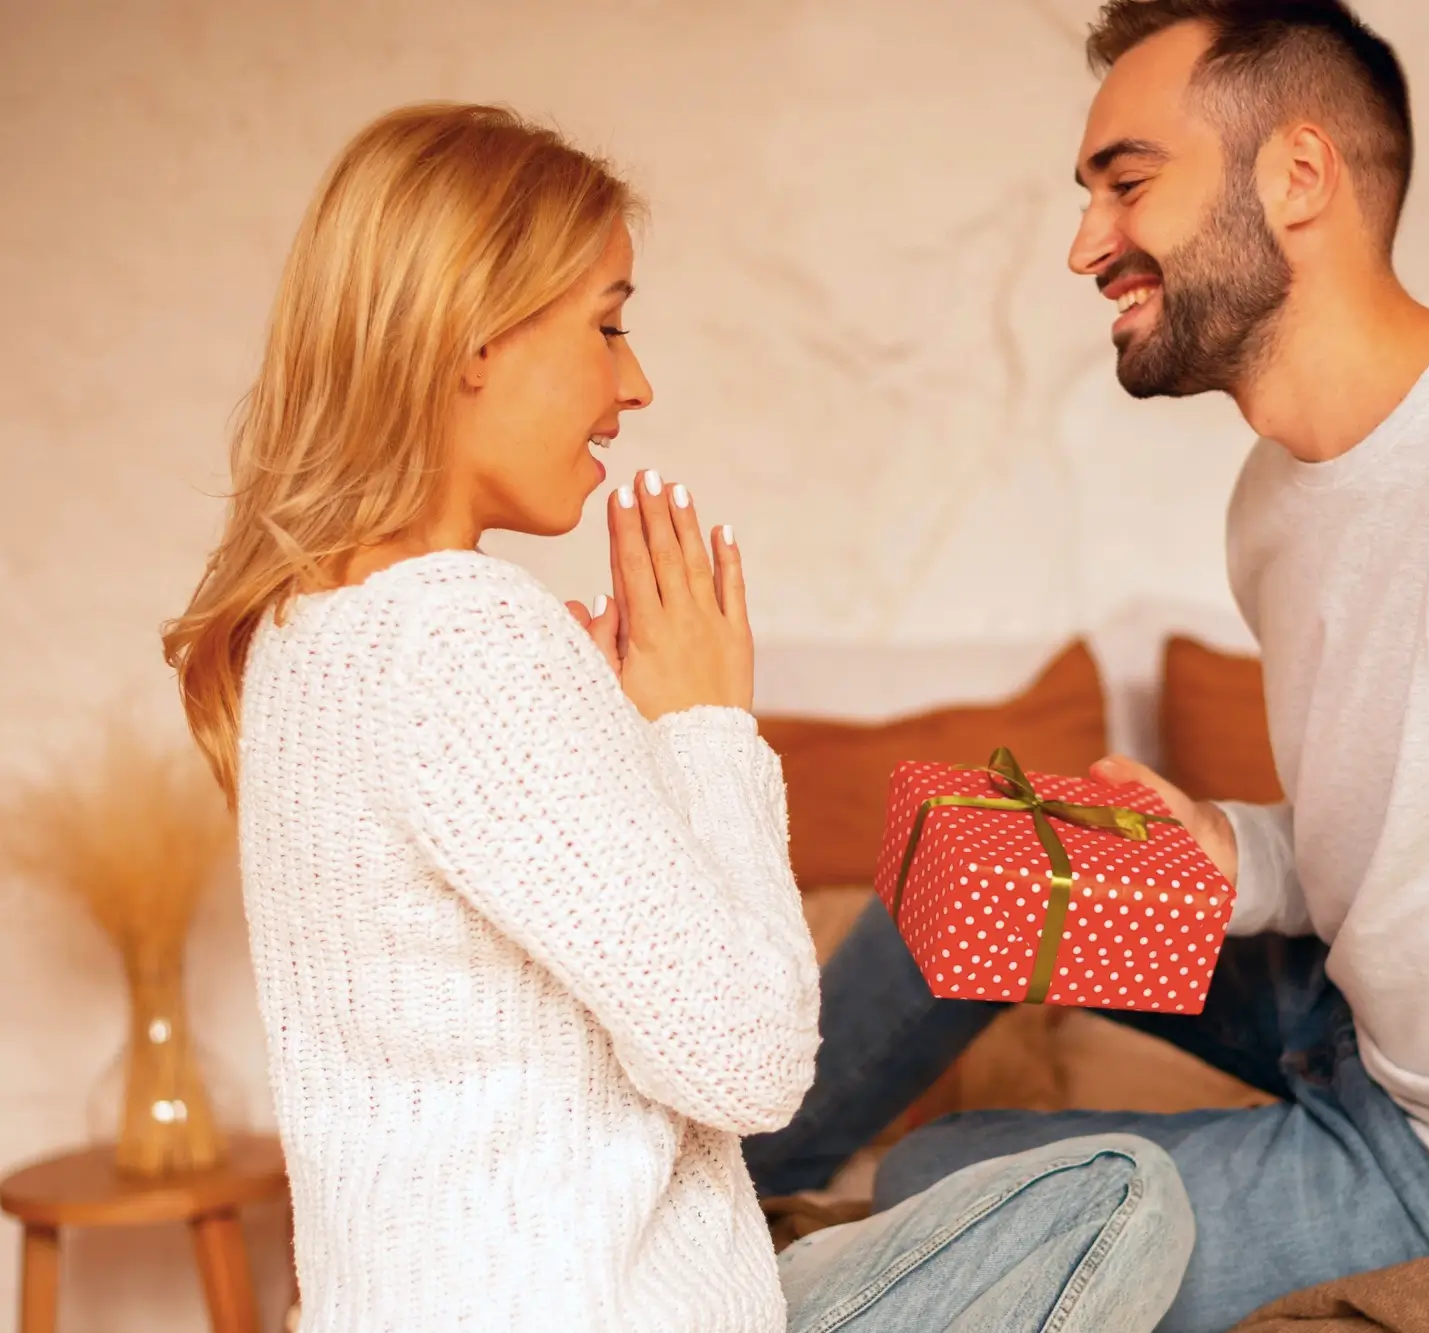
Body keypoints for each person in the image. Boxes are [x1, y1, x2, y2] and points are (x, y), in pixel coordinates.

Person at [744, 4, 1429, 1331]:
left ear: (1299, 176)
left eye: (1128, 183)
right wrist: (1238, 850)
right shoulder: (1274, 501)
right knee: (979, 856)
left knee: (937, 1180)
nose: (1086, 244)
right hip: (1359, 1008)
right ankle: (717, 1179)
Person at [162, 102, 1192, 1333]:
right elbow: (753, 1064)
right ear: (472, 337)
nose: (633, 382)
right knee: (1125, 1194)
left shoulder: (302, 636)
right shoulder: (463, 633)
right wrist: (705, 725)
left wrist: (615, 737)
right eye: (606, 324)